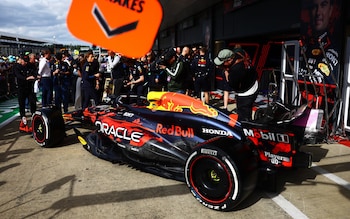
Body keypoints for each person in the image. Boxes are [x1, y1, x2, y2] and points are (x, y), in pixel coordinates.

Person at [214, 47, 258, 121]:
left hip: (247, 92)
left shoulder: (236, 70)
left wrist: (226, 72)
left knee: (243, 114)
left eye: (222, 63)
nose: (219, 66)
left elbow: (231, 84)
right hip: (253, 80)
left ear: (230, 60)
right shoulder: (239, 52)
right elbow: (239, 48)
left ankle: (246, 128)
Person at [13, 55, 37, 132]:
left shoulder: (29, 66)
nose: (25, 63)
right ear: (21, 60)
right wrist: (27, 78)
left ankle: (35, 120)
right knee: (22, 105)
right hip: (21, 88)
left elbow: (34, 72)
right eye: (24, 61)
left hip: (29, 88)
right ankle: (23, 123)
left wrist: (35, 76)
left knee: (33, 103)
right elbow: (18, 75)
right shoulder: (17, 67)